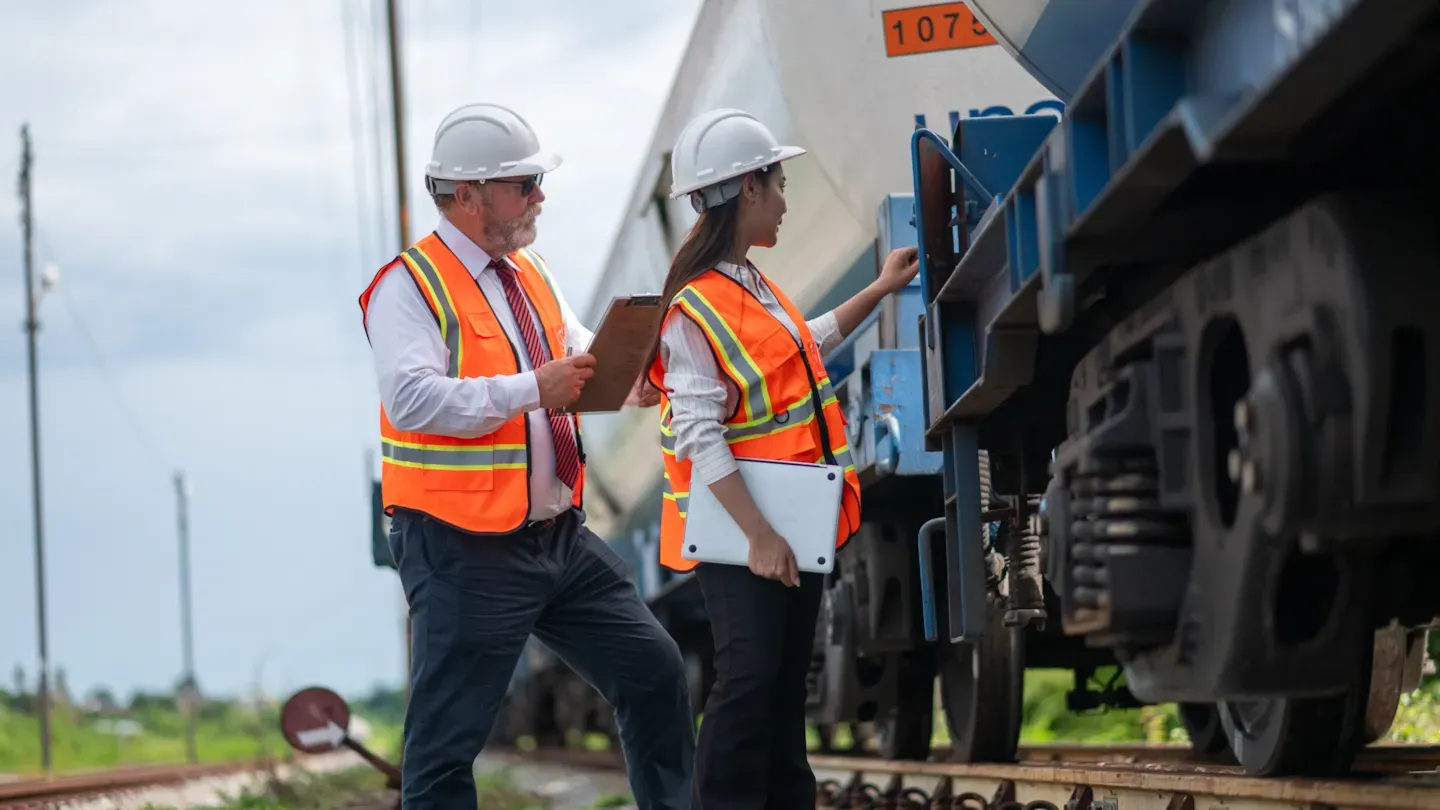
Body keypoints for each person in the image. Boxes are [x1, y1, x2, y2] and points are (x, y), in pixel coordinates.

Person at [358, 102, 694, 810]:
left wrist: (620, 380)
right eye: (525, 183)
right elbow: (414, 399)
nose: (540, 195)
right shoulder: (408, 287)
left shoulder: (530, 271)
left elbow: (576, 355)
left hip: (555, 539)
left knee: (654, 670)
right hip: (461, 547)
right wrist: (531, 389)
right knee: (446, 745)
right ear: (471, 197)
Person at [644, 108, 919, 809]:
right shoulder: (694, 308)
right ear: (747, 190)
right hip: (748, 531)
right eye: (780, 183)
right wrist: (759, 536)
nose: (787, 200)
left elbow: (808, 345)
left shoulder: (753, 287)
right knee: (749, 680)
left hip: (791, 519)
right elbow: (701, 434)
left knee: (781, 685)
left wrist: (882, 287)